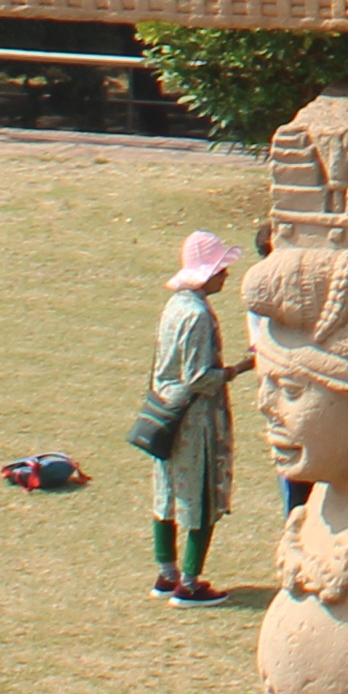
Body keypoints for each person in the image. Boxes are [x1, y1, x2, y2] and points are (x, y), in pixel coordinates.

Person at [145, 227, 239, 602]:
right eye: (220, 269)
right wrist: (237, 369)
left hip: (166, 411)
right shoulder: (198, 315)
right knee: (200, 496)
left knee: (166, 492)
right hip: (195, 417)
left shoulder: (175, 306)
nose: (225, 275)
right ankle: (189, 581)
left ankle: (165, 572)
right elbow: (200, 376)